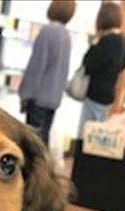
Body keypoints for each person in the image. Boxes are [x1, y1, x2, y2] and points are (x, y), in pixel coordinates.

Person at [18, 0, 76, 146]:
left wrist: (25, 95)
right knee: (43, 139)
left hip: (39, 97)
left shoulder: (47, 32)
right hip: (53, 98)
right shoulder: (67, 36)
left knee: (33, 142)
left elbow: (36, 66)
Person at [77, 1, 125, 137]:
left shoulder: (105, 42)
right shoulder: (122, 41)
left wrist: (93, 43)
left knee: (86, 135)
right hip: (108, 96)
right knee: (98, 135)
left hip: (95, 95)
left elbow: (88, 65)